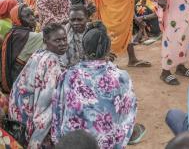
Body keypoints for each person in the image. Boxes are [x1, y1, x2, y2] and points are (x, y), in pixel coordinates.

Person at [51, 21, 141, 149]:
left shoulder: (68, 75)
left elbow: (58, 110)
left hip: (74, 143)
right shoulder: (121, 77)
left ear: (84, 47)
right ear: (108, 49)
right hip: (107, 143)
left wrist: (59, 140)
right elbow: (127, 116)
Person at [9, 23, 68, 148]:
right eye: (57, 40)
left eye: (64, 39)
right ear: (45, 41)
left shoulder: (38, 53)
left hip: (19, 109)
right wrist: (37, 136)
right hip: (31, 114)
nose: (63, 43)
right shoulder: (52, 61)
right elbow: (46, 103)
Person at [1, 4, 43, 93]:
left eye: (32, 14)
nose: (32, 18)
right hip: (21, 76)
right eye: (27, 16)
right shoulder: (27, 36)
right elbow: (50, 38)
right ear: (18, 19)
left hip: (13, 75)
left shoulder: (14, 32)